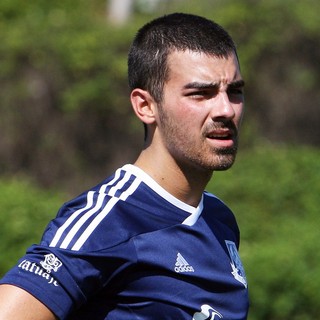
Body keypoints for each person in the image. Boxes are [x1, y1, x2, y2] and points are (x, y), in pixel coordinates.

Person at [0, 12, 249, 319]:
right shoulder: (107, 222)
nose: (226, 109)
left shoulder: (219, 218)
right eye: (201, 93)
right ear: (146, 106)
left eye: (234, 91)